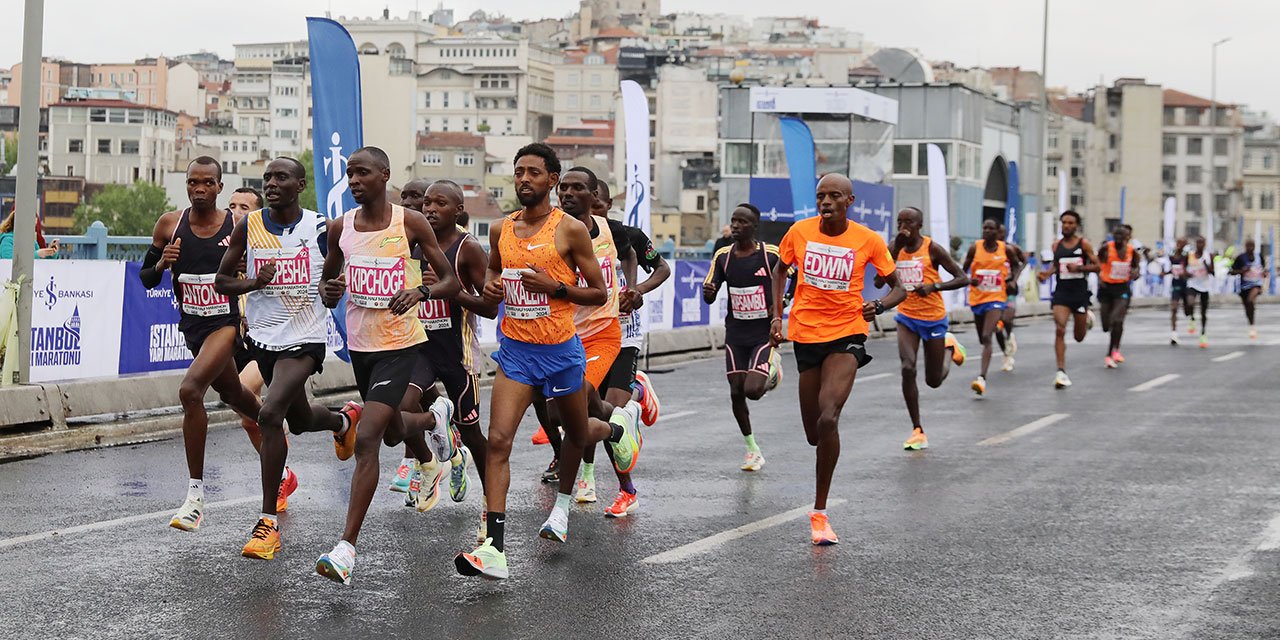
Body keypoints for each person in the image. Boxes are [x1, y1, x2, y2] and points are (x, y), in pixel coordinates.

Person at [455, 144, 640, 580]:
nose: (523, 179)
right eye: (518, 172)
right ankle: (495, 548)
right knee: (498, 442)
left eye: (533, 173)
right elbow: (493, 276)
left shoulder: (571, 230)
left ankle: (613, 431)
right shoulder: (501, 228)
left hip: (561, 352)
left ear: (551, 180)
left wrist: (554, 287)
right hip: (517, 352)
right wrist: (493, 288)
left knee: (576, 432)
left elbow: (598, 293)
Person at [312, 146, 462, 583]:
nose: (354, 181)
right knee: (395, 429)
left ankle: (345, 548)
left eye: (362, 173)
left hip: (401, 345)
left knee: (370, 437)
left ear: (384, 174)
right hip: (363, 348)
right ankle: (435, 417)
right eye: (348, 174)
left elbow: (449, 278)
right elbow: (328, 281)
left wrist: (421, 294)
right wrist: (331, 292)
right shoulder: (341, 227)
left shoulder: (409, 222)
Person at [215, 157, 366, 560]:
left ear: (300, 184)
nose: (271, 183)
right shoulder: (250, 226)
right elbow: (222, 281)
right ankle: (343, 419)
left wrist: (333, 290)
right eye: (267, 177)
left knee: (268, 415)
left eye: (281, 177)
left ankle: (267, 524)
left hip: (306, 339)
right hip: (264, 340)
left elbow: (336, 277)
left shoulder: (321, 228)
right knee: (298, 421)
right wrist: (252, 281)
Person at [769, 173, 906, 545]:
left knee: (829, 416)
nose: (825, 202)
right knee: (814, 433)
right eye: (820, 196)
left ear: (850, 200)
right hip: (805, 335)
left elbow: (899, 287)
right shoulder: (799, 232)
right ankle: (820, 450)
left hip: (848, 333)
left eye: (834, 196)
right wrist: (777, 314)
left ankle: (819, 513)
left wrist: (878, 305)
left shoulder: (869, 240)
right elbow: (780, 269)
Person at [139, 157, 264, 533]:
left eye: (207, 183)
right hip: (192, 325)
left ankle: (194, 497)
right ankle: (273, 430)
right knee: (232, 393)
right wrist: (161, 263)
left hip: (225, 325)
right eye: (193, 182)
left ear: (219, 187)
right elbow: (146, 277)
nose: (199, 189)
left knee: (191, 391)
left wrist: (247, 270)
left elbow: (263, 268)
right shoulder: (169, 224)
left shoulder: (238, 226)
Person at [390, 179, 497, 533]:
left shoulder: (467, 248)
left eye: (440, 204)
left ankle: (489, 503)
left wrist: (451, 292)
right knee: (399, 409)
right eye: (427, 204)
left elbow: (489, 308)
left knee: (472, 432)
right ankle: (431, 449)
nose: (430, 209)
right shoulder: (412, 243)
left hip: (457, 354)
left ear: (459, 211)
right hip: (420, 348)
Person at [703, 203, 782, 471]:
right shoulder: (724, 256)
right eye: (733, 221)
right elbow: (710, 290)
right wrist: (709, 292)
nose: (735, 226)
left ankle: (773, 370)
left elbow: (789, 277)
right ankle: (752, 449)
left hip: (763, 333)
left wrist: (779, 306)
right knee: (736, 391)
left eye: (742, 222)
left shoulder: (770, 254)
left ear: (754, 227)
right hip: (736, 332)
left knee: (753, 391)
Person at [883, 207, 968, 449]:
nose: (903, 227)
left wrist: (934, 287)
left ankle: (950, 347)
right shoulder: (894, 248)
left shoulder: (932, 248)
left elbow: (963, 277)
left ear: (919, 225)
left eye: (908, 222)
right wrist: (894, 250)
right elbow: (879, 280)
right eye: (899, 222)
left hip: (933, 318)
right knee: (907, 367)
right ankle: (917, 429)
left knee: (933, 380)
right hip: (907, 317)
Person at [1038, 210, 1098, 389]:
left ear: (1077, 225)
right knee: (1059, 328)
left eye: (1071, 223)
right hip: (1062, 293)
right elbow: (1056, 266)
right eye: (1064, 222)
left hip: (1079, 294)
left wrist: (1079, 268)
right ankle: (1061, 371)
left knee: (1079, 337)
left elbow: (1098, 266)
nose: (1067, 225)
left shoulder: (1084, 244)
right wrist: (1046, 274)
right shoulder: (1056, 246)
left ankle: (1086, 318)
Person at [963, 219, 1023, 397]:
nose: (987, 231)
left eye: (991, 228)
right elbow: (963, 269)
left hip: (997, 297)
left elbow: (1018, 264)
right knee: (983, 339)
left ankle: (981, 378)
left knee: (986, 336)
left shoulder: (1007, 249)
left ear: (998, 232)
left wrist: (1012, 279)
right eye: (984, 228)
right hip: (978, 298)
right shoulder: (975, 248)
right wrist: (968, 279)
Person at [227, 187, 267, 434]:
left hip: (266, 336)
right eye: (232, 207)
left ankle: (276, 423)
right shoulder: (223, 247)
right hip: (236, 340)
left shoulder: (266, 243)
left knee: (239, 393)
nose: (236, 213)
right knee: (248, 418)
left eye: (244, 208)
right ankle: (280, 473)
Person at [1096, 223, 1141, 368]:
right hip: (1106, 287)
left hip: (1122, 288)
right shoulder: (1106, 248)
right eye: (1116, 235)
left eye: (1121, 235)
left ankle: (1111, 352)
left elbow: (1136, 266)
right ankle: (1113, 348)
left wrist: (1135, 273)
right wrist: (1099, 277)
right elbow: (1096, 263)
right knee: (1106, 324)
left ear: (1126, 237)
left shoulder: (1131, 251)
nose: (1118, 238)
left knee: (1117, 319)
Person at [994, 223, 1024, 372]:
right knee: (996, 327)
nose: (1000, 235)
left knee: (1006, 319)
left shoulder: (1010, 249)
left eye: (1002, 233)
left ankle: (1010, 333)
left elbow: (1022, 261)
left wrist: (1014, 279)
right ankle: (1006, 353)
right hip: (993, 292)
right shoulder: (985, 250)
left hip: (1009, 290)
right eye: (997, 232)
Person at [1231, 239, 1266, 340]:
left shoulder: (1259, 257)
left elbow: (1262, 269)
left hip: (1256, 285)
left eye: (1252, 245)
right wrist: (1242, 271)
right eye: (1248, 245)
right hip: (1243, 286)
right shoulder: (1241, 258)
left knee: (1250, 300)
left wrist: (1264, 273)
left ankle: (1252, 325)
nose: (1250, 248)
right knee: (1247, 307)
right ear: (1245, 246)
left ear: (1254, 246)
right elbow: (1232, 271)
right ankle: (1251, 325)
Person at [1185, 236, 1214, 348]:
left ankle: (1203, 333)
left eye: (1202, 243)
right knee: (1190, 303)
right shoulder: (1190, 255)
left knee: (1203, 312)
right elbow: (1184, 268)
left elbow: (1213, 272)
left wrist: (1206, 265)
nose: (1200, 245)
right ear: (1195, 244)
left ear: (1205, 244)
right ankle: (1192, 318)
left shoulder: (1209, 256)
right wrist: (1187, 274)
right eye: (1198, 243)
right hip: (1192, 284)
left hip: (1204, 286)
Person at [1165, 238, 1190, 345]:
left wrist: (1185, 273)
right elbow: (1171, 269)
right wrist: (1165, 273)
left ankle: (1190, 314)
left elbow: (1191, 271)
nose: (1179, 245)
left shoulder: (1187, 257)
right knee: (1174, 308)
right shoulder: (1171, 257)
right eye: (1178, 243)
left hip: (1186, 286)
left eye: (1181, 243)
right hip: (1175, 286)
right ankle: (1174, 333)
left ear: (1185, 245)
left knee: (1188, 310)